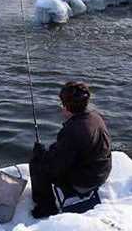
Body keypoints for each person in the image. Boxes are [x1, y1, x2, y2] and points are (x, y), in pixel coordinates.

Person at [29, 82, 112, 219]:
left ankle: (46, 208)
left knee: (38, 165)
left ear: (66, 107)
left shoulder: (73, 131)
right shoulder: (95, 117)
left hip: (87, 180)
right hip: (102, 171)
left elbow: (56, 167)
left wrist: (41, 155)